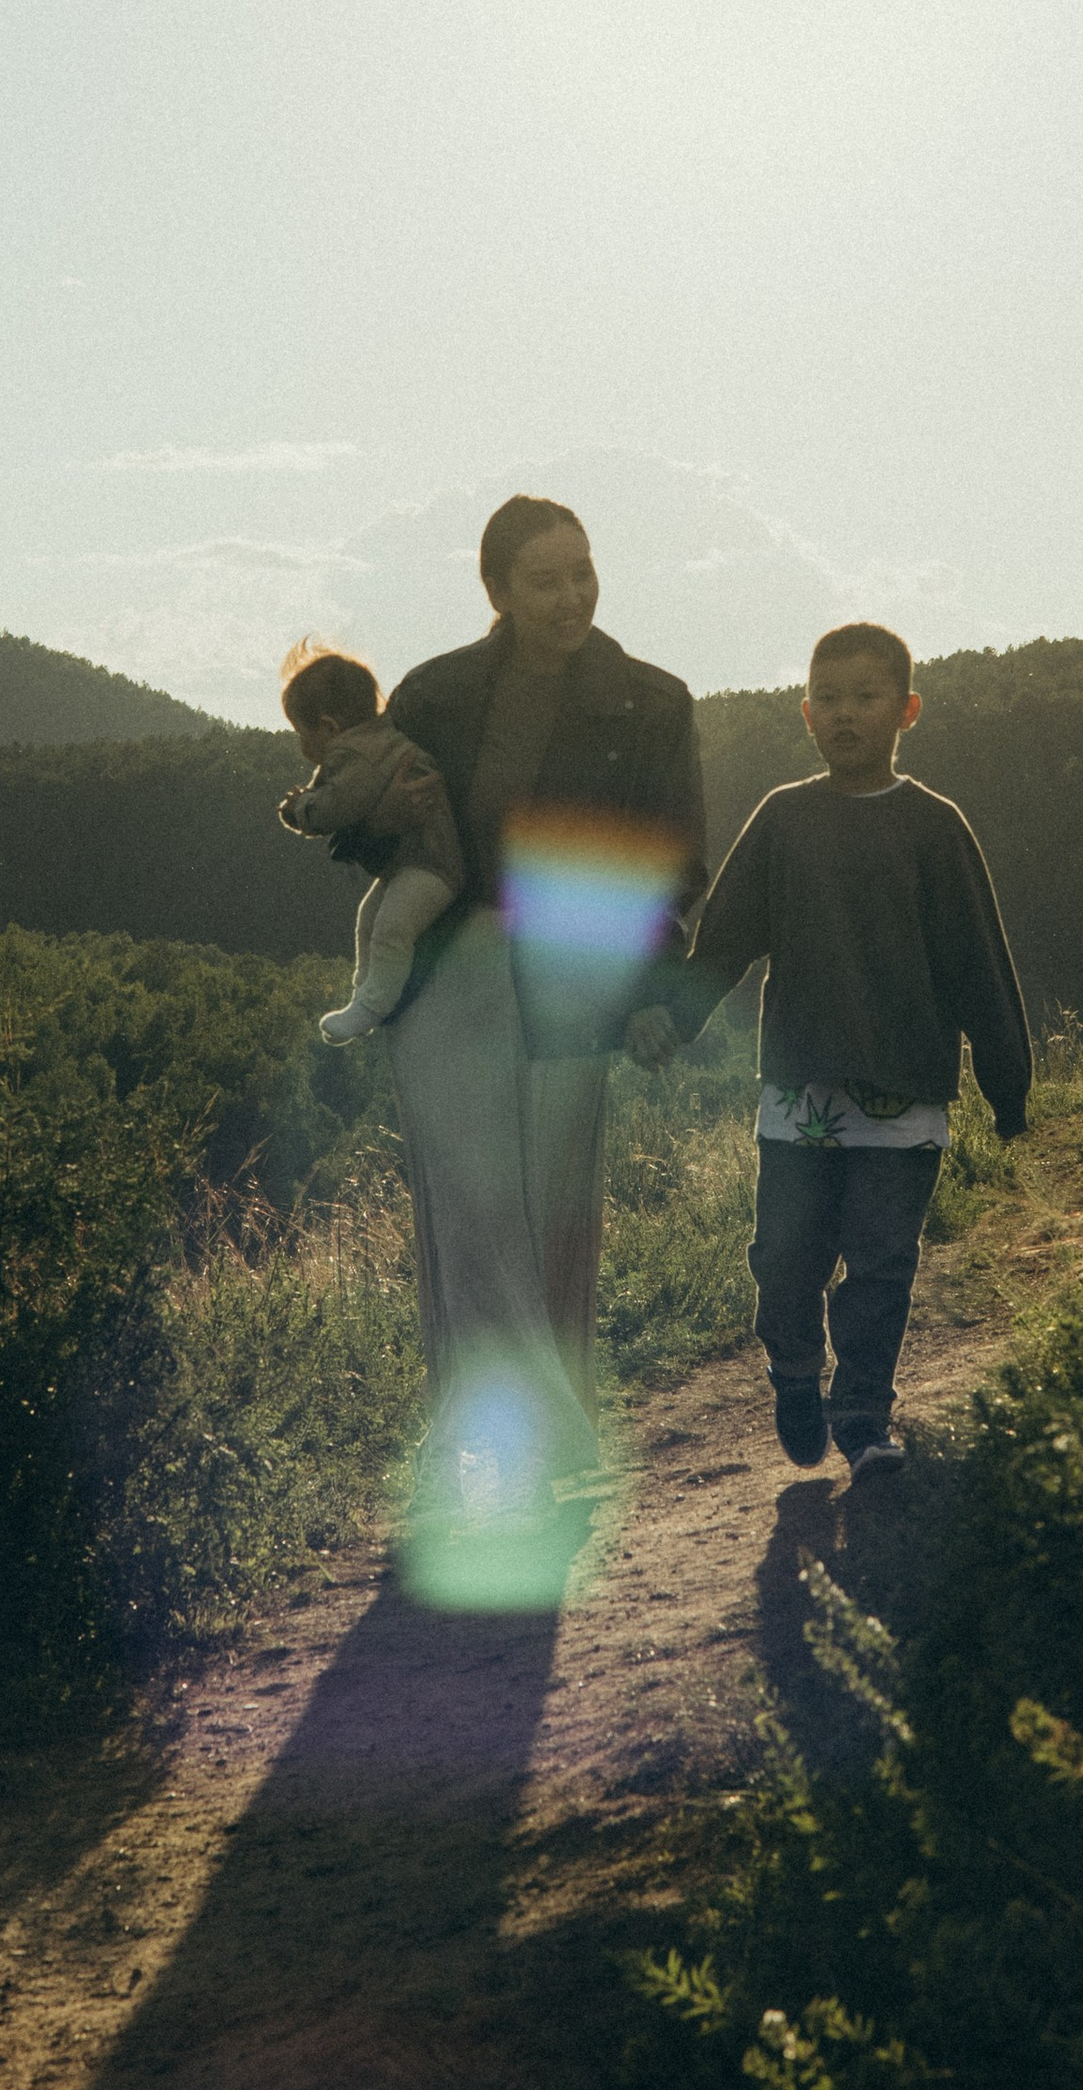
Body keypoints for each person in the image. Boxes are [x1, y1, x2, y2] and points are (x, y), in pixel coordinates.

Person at [631, 619, 1032, 1481]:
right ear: (805, 713)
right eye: (830, 699)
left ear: (908, 710)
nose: (846, 714)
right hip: (801, 1089)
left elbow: (979, 965)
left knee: (882, 1264)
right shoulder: (784, 818)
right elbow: (726, 941)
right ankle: (793, 1372)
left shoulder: (934, 828)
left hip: (906, 1093)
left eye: (867, 697)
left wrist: (1009, 1087)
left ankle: (864, 1416)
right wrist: (679, 1019)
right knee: (785, 1259)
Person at [382, 497, 705, 1535]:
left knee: (554, 1226)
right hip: (453, 984)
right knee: (466, 1227)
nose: (571, 596)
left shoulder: (652, 704)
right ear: (497, 592)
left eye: (583, 571)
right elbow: (392, 847)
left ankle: (551, 1458)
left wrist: (657, 994)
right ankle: (475, 1451)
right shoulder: (431, 697)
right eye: (544, 580)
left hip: (575, 979)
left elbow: (672, 861)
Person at [275, 642, 466, 1043]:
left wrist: (299, 811)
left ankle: (374, 1004)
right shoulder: (376, 739)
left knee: (392, 927)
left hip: (433, 865)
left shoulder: (356, 757)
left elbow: (336, 806)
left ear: (328, 727)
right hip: (416, 862)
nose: (301, 746)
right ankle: (363, 996)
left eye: (301, 733)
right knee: (369, 916)